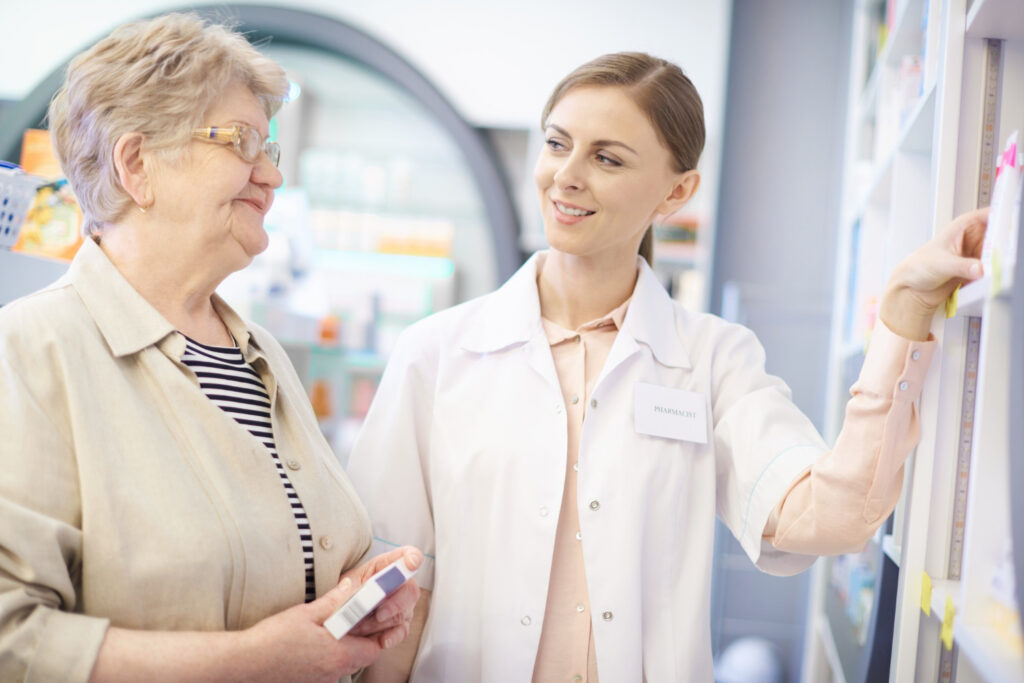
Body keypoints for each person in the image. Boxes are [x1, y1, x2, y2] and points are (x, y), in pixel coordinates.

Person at [346, 52, 989, 681]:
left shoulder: (711, 359)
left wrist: (904, 312)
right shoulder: (437, 353)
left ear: (676, 191)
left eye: (606, 158)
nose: (566, 175)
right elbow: (393, 587)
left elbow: (829, 518)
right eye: (557, 144)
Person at [0, 13, 421, 683]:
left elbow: (287, 548)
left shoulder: (261, 355)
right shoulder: (29, 352)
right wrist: (251, 661)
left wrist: (353, 591)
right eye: (241, 142)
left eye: (270, 148)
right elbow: (13, 638)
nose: (271, 176)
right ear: (137, 164)